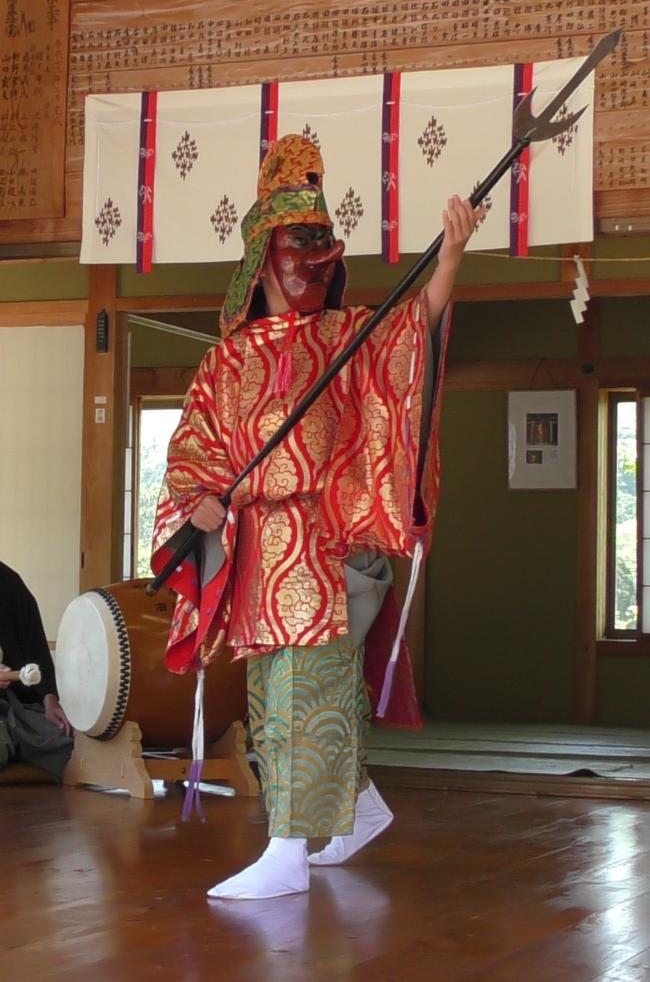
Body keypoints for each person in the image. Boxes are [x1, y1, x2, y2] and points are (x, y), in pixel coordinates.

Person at [152, 134, 481, 899]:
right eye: (300, 242)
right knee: (278, 694)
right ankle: (357, 808)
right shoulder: (224, 361)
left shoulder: (347, 336)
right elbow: (193, 449)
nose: (315, 257)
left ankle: (288, 852)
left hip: (322, 543)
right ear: (265, 254)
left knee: (308, 688)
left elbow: (410, 343)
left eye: (324, 244)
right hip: (254, 546)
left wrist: (451, 263)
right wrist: (200, 494)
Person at [0, 559, 72, 780]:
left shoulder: (7, 581)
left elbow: (34, 645)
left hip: (11, 701)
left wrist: (49, 698)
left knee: (65, 742)